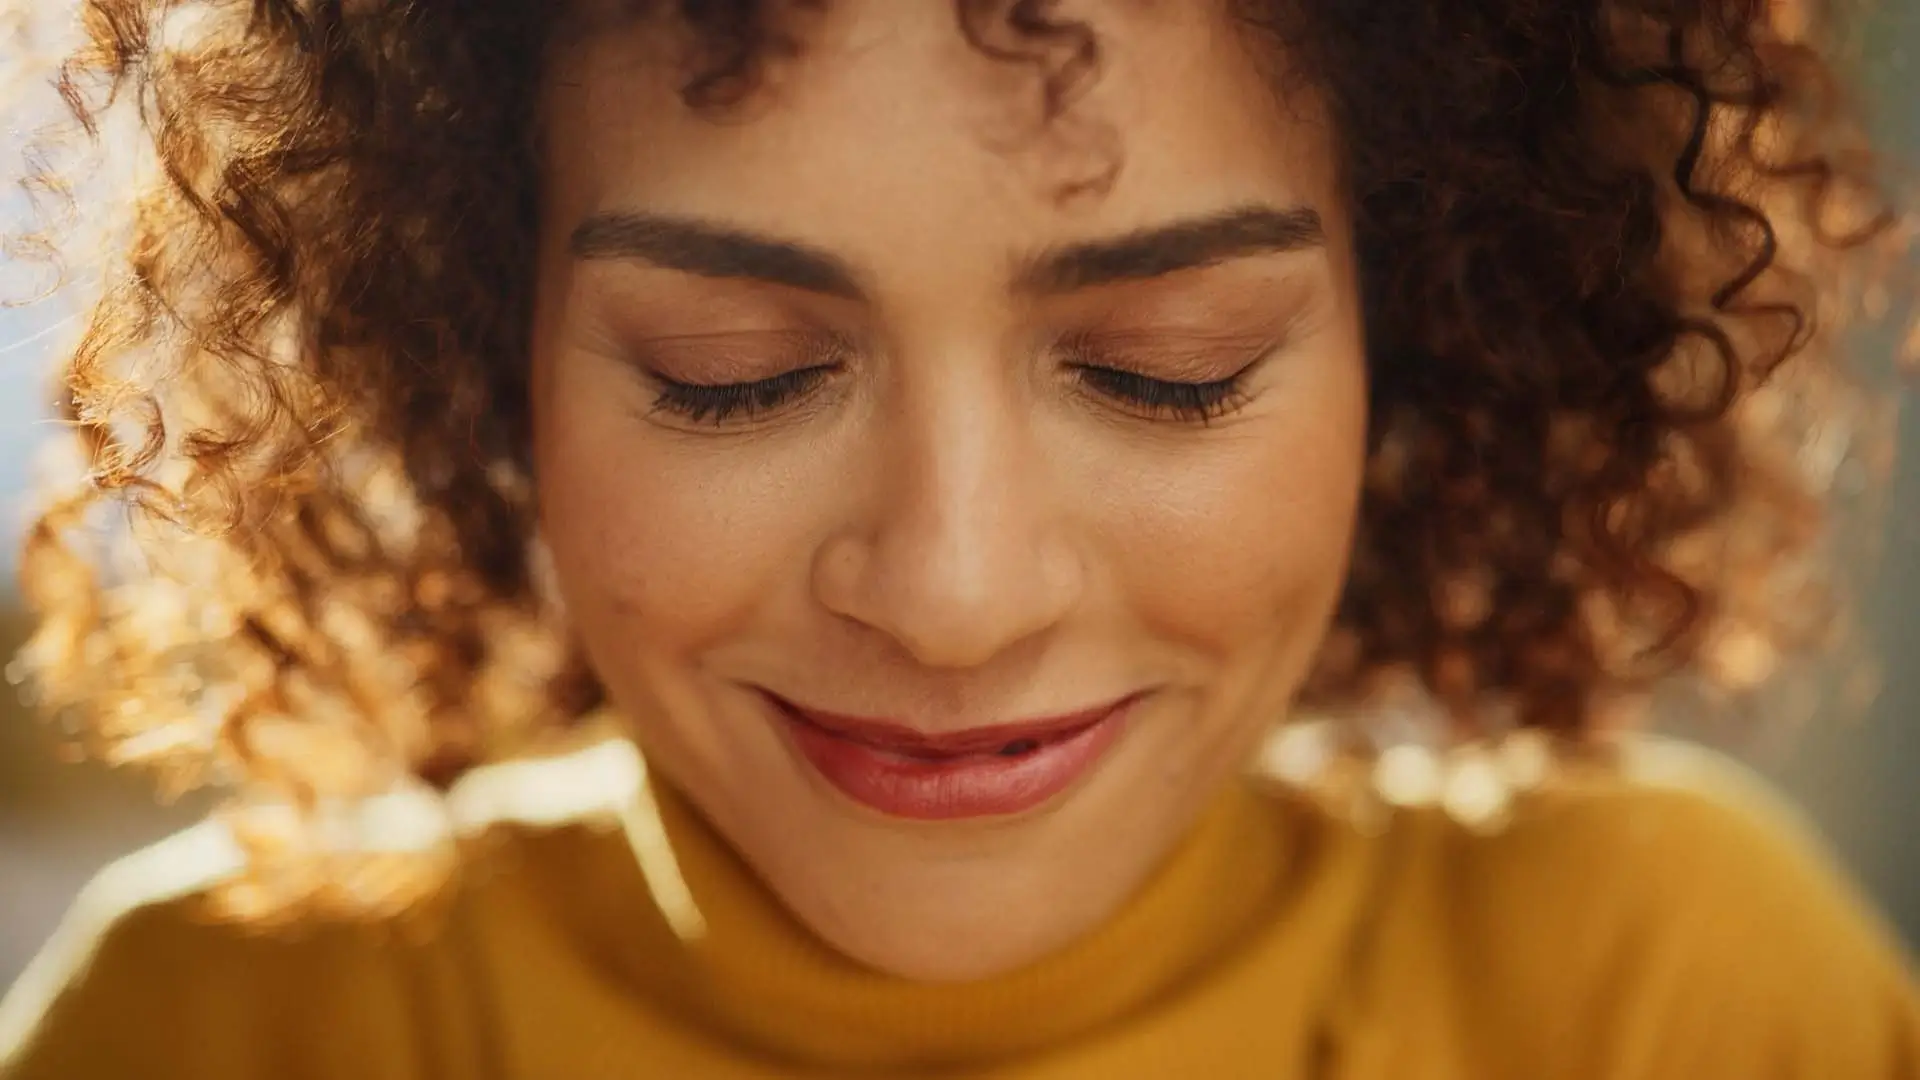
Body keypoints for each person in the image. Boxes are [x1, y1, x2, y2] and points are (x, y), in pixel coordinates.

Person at [0, 0, 1915, 1076]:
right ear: (478, 351)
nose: (954, 595)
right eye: (734, 376)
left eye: (1169, 368)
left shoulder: (1670, 1004)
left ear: (1420, 328)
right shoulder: (222, 1032)